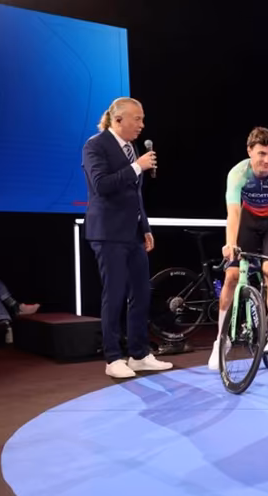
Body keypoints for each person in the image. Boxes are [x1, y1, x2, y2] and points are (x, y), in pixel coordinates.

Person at [82, 97, 173, 378]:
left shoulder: (132, 148)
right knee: (115, 293)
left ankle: (139, 354)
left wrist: (144, 227)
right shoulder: (95, 145)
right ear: (118, 119)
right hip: (108, 233)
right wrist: (137, 167)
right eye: (138, 119)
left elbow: (135, 194)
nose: (142, 125)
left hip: (132, 233)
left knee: (141, 293)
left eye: (142, 119)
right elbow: (101, 185)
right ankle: (112, 358)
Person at [208, 127, 268, 370]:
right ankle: (220, 341)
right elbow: (234, 212)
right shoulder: (238, 173)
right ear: (249, 151)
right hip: (248, 220)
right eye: (261, 154)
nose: (267, 160)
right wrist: (230, 243)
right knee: (232, 276)